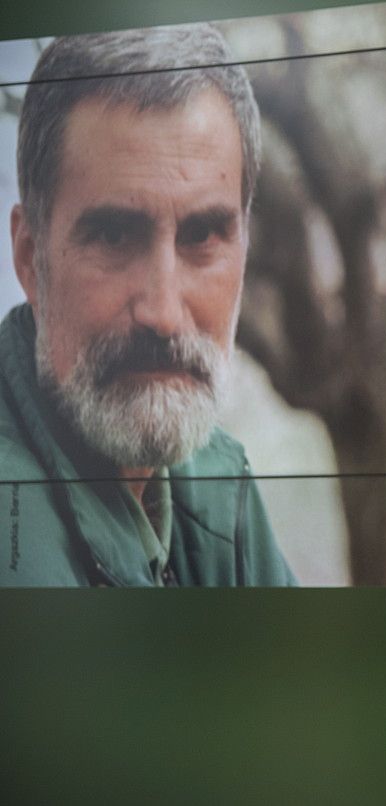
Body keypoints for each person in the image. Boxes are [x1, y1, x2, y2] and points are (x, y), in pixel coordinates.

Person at [1, 25, 294, 587]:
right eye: (113, 236)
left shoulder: (210, 473)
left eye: (203, 234)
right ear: (29, 258)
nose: (161, 312)